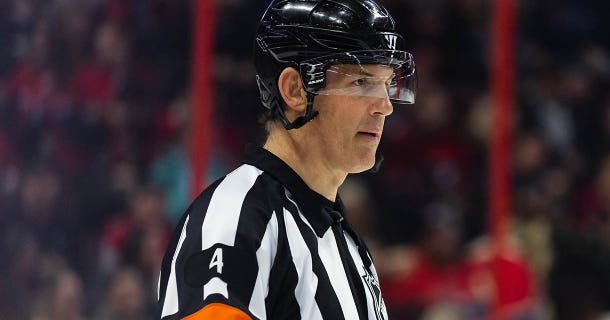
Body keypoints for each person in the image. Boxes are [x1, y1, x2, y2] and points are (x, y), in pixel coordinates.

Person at [156, 0, 417, 319]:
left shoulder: (345, 242)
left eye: (386, 83)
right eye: (360, 82)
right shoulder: (235, 220)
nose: (385, 106)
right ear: (295, 90)